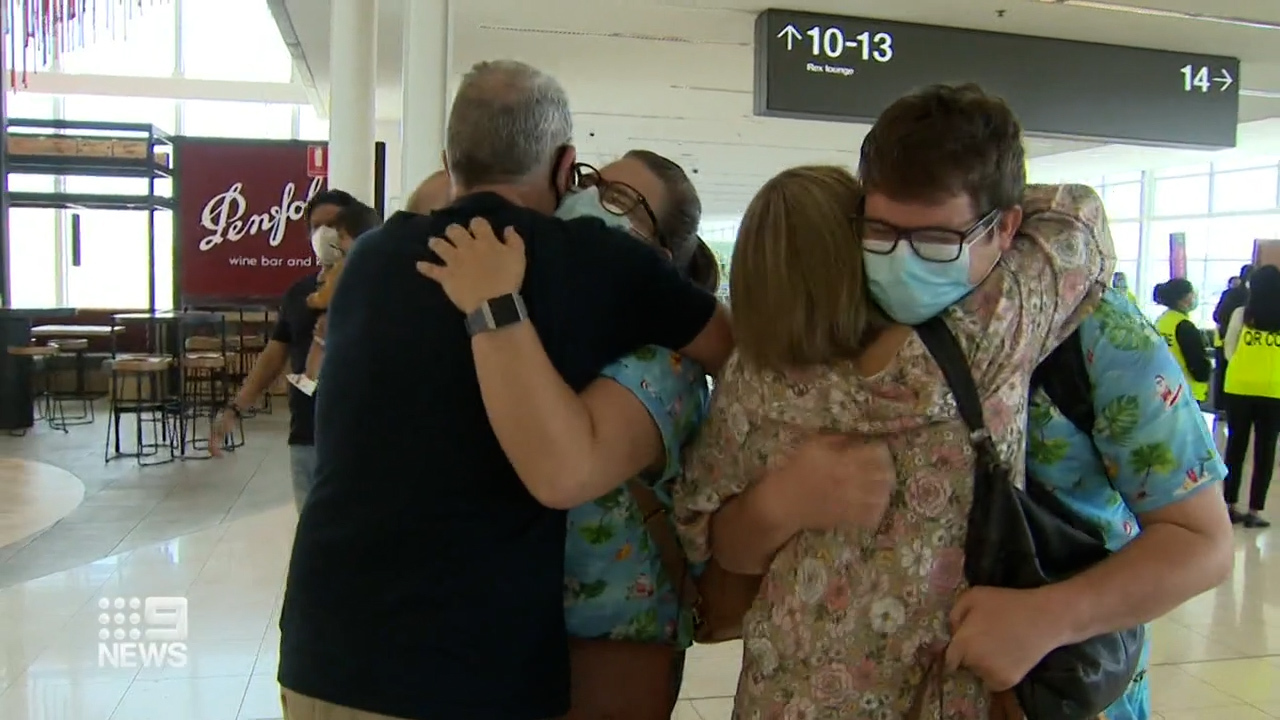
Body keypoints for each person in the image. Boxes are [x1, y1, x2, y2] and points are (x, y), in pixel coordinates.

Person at [684, 87, 1232, 720]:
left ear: (1005, 227)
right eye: (881, 232)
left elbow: (1201, 541)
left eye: (937, 241)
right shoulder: (822, 332)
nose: (901, 260)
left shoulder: (1093, 331)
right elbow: (726, 542)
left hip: (1028, 692)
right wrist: (786, 498)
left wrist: (1049, 617)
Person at [277, 59, 732, 720]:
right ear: (564, 165)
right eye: (592, 185)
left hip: (325, 649)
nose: (597, 206)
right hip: (470, 671)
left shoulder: (372, 258)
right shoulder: (598, 263)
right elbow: (735, 347)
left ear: (450, 159)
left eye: (623, 202)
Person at [416, 149, 748, 718]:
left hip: (610, 641)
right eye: (588, 181)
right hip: (512, 630)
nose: (588, 199)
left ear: (659, 257)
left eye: (620, 201)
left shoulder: (662, 365)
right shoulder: (545, 334)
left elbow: (567, 469)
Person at [211, 189, 367, 507]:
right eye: (316, 226)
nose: (324, 233)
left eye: (334, 224)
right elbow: (275, 354)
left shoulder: (373, 285)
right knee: (312, 537)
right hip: (306, 434)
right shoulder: (299, 293)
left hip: (358, 436)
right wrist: (236, 407)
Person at [1222, 264, 1280, 528]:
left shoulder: (1242, 314)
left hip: (1239, 387)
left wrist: (1242, 368)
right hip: (1273, 390)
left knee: (1235, 447)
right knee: (1265, 452)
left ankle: (1229, 505)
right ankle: (1255, 511)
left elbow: (1228, 347)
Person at [1154, 278, 1212, 407]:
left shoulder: (1161, 321)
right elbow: (1197, 362)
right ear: (1184, 298)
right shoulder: (1184, 325)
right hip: (1186, 389)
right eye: (1192, 294)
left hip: (1166, 387)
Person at [1213, 264, 1253, 407]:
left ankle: (1220, 407)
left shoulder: (1229, 293)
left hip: (1222, 340)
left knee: (1221, 375)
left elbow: (1217, 315)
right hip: (1245, 344)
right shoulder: (1252, 297)